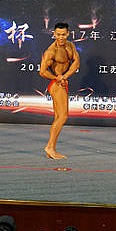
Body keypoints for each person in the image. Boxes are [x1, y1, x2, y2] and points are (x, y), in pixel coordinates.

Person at [39, 22, 80, 159]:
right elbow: (42, 71)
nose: (61, 37)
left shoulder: (70, 46)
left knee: (58, 117)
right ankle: (50, 147)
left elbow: (76, 63)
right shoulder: (51, 51)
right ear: (54, 34)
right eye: (58, 35)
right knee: (63, 116)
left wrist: (65, 76)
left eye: (63, 34)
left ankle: (51, 148)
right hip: (56, 84)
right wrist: (57, 78)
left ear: (68, 34)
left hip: (62, 81)